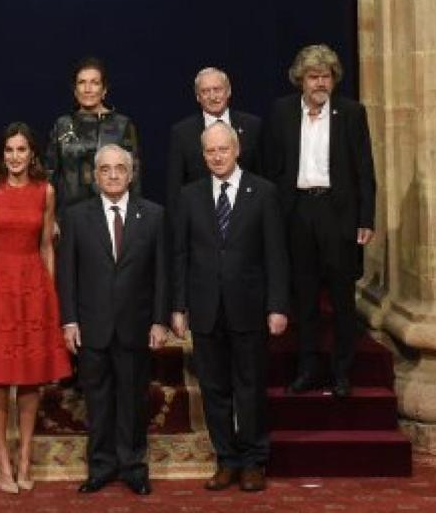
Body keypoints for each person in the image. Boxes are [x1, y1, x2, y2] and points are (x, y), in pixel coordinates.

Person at [171, 121, 288, 493]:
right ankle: (227, 459)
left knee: (249, 387)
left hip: (249, 307)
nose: (217, 156)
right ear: (202, 155)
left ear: (236, 150)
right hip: (206, 309)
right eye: (210, 151)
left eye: (223, 149)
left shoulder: (264, 192)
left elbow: (276, 255)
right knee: (215, 389)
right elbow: (180, 255)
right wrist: (178, 306)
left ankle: (254, 460)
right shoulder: (189, 196)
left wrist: (277, 306)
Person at [263, 44, 376, 398]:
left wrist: (366, 218)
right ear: (301, 79)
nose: (319, 83)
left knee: (342, 299)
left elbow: (365, 172)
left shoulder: (352, 113)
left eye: (325, 76)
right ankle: (308, 369)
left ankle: (342, 373)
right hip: (297, 212)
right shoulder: (281, 112)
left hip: (337, 214)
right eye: (313, 77)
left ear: (334, 79)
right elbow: (271, 167)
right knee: (305, 298)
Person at [57, 144, 169, 497]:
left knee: (133, 400)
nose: (114, 175)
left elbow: (162, 274)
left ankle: (133, 467)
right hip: (92, 328)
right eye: (106, 169)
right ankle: (101, 466)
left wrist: (160, 320)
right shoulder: (76, 217)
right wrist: (69, 321)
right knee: (98, 402)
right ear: (94, 175)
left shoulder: (153, 215)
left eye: (121, 168)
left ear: (132, 173)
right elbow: (67, 275)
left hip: (136, 327)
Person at [0, 123, 72, 494]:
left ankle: (25, 457)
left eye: (22, 149)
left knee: (30, 380)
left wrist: (52, 295)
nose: (15, 157)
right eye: (9, 150)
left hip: (33, 287)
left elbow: (47, 246)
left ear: (33, 154)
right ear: (2, 154)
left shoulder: (46, 191)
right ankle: (2, 459)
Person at [47, 57, 141, 227]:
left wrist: (134, 220)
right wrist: (51, 220)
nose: (88, 89)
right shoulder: (62, 125)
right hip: (68, 219)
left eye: (94, 83)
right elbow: (50, 175)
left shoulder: (122, 125)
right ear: (75, 90)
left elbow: (134, 176)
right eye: (82, 83)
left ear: (104, 90)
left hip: (111, 219)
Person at [167, 67, 262, 219]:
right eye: (205, 91)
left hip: (247, 217)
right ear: (198, 97)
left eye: (217, 89)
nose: (212, 96)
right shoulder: (182, 132)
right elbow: (175, 188)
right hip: (200, 219)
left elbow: (261, 176)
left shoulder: (252, 126)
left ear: (228, 91)